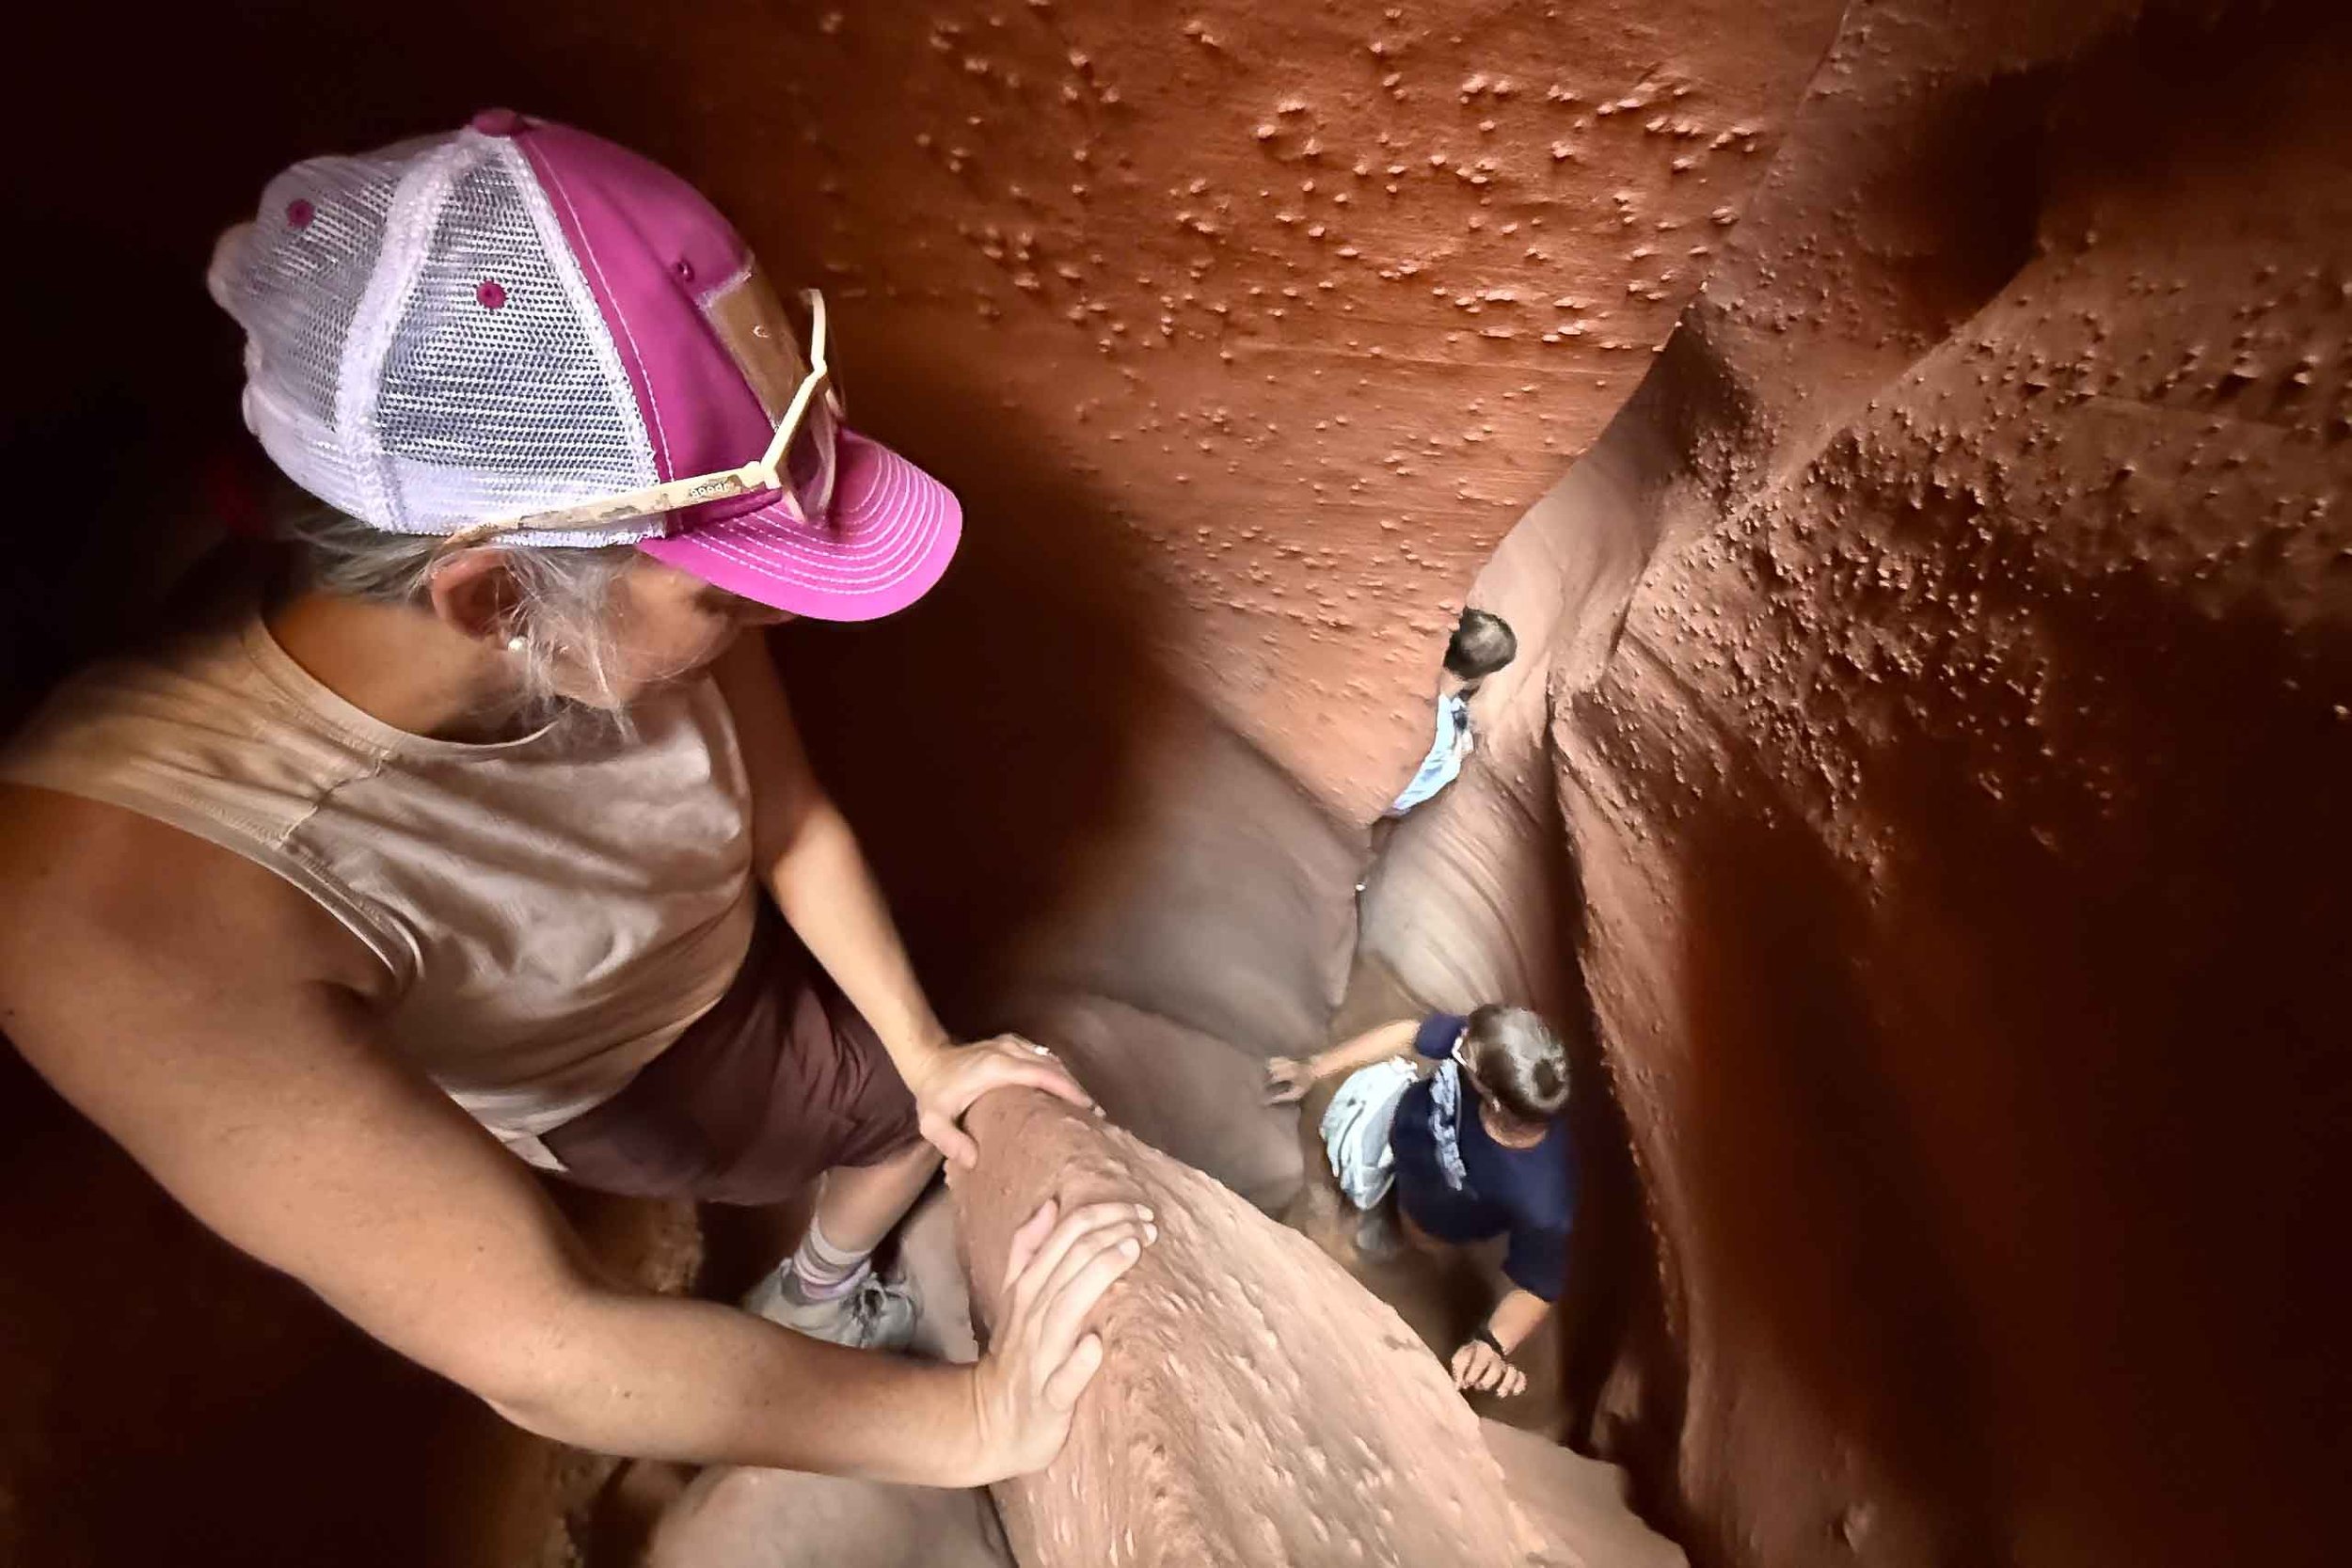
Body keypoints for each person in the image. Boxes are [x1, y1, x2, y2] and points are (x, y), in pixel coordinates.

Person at [0, 112, 1154, 1487]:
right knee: (867, 1117)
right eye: (729, 592)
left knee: (900, 1088)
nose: (769, 623)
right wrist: (974, 1420)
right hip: (630, 1058)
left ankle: (830, 1232)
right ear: (494, 592)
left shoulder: (586, 586)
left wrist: (926, 1045)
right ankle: (816, 1286)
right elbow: (548, 1341)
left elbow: (785, 813)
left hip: (686, 932)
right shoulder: (125, 899)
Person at [1266, 1006, 1575, 1399]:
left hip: (1433, 1215)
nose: (1457, 1041)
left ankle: (1390, 1235)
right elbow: (1412, 1034)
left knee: (1414, 1234)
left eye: (1464, 1053)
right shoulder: (1491, 1047)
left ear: (1494, 1100)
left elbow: (1538, 1286)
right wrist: (1314, 1069)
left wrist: (1492, 1343)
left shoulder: (1540, 1196)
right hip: (1403, 1128)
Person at [1384, 608, 1518, 817]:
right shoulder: (1442, 734)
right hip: (1391, 800)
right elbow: (1402, 797)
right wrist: (1456, 756)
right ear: (1479, 677)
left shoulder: (1398, 671)